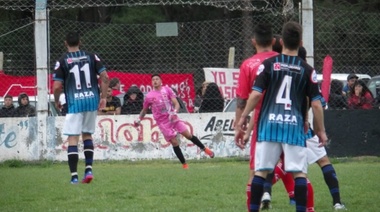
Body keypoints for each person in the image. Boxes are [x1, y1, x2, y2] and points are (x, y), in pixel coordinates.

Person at [236, 21, 328, 212]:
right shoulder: (308, 70)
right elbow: (317, 104)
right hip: (293, 128)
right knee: (299, 173)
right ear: (301, 42)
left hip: (269, 126)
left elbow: (256, 94)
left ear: (281, 41)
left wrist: (243, 117)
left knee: (261, 172)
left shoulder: (268, 65)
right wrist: (320, 130)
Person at [233, 23, 283, 211]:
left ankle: (257, 201)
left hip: (263, 124)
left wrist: (240, 125)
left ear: (253, 41)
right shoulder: (286, 60)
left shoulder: (249, 65)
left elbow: (242, 99)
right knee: (297, 170)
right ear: (273, 41)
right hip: (290, 122)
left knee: (257, 171)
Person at [53, 31, 109, 184]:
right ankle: (89, 169)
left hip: (74, 103)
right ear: (80, 42)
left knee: (73, 138)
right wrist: (103, 97)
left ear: (65, 43)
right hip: (91, 100)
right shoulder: (92, 57)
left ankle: (74, 177)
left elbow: (57, 86)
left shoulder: (62, 61)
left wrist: (57, 100)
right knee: (87, 135)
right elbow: (105, 77)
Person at [136, 74, 214, 169]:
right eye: (153, 80)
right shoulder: (149, 96)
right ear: (151, 83)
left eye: (157, 79)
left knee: (188, 135)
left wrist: (174, 112)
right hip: (163, 122)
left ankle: (205, 149)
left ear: (161, 81)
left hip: (173, 118)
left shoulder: (167, 90)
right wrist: (139, 119)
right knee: (174, 142)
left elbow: (176, 104)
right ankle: (185, 164)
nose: (155, 81)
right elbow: (144, 110)